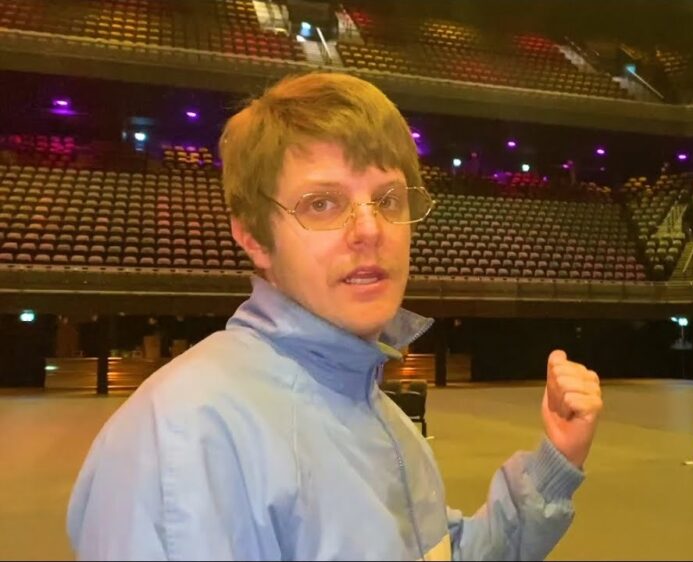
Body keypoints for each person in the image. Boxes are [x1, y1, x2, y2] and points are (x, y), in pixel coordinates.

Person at [66, 72, 604, 560]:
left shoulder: (384, 420)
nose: (370, 230)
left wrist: (555, 463)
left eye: (388, 200)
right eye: (322, 204)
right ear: (253, 236)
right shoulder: (187, 438)